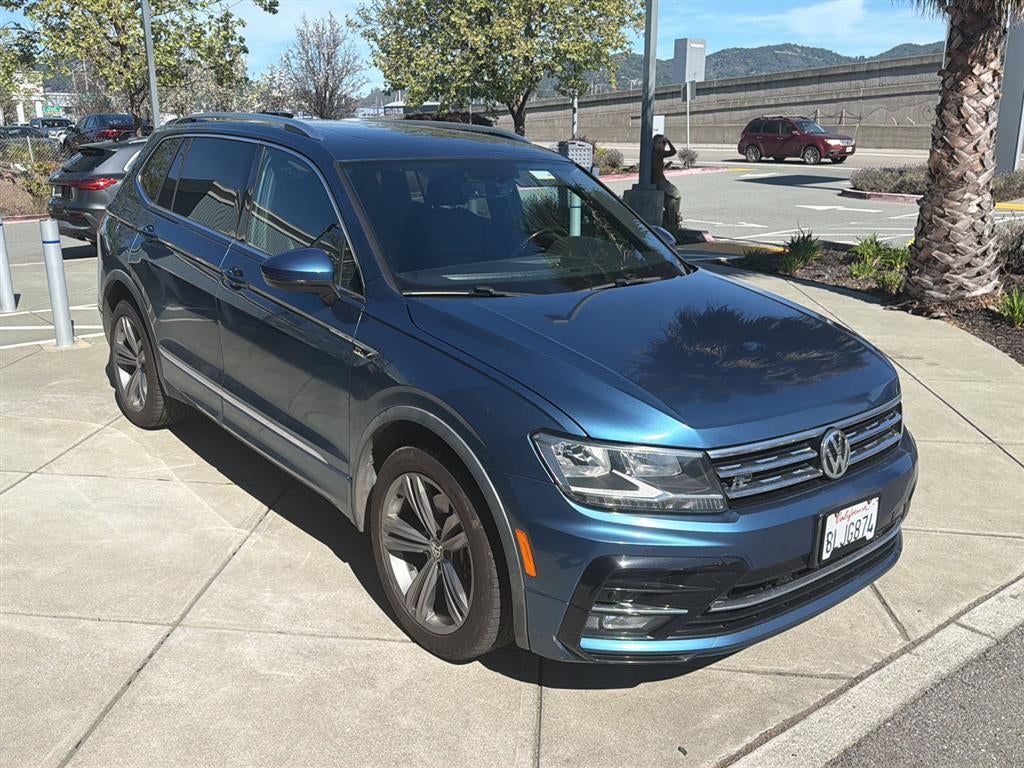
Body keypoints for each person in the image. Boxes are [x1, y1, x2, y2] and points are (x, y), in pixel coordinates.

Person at [651, 134, 682, 231]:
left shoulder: (653, 153)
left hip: (657, 181)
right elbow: (673, 151)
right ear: (656, 144)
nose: (663, 145)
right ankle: (674, 219)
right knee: (677, 194)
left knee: (671, 202)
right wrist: (668, 142)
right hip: (661, 182)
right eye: (661, 143)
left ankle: (671, 221)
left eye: (664, 143)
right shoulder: (658, 152)